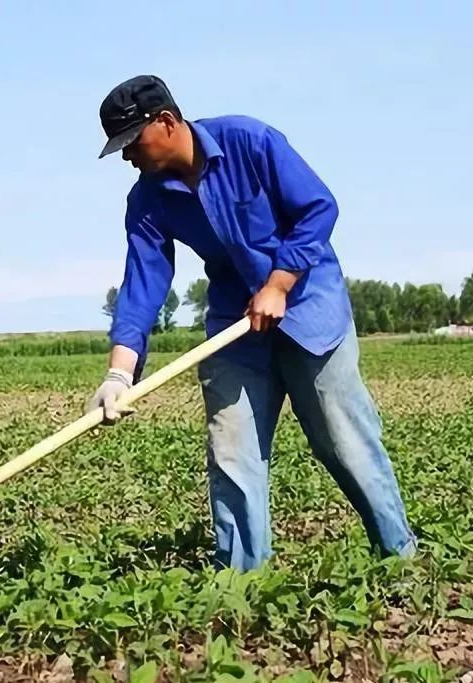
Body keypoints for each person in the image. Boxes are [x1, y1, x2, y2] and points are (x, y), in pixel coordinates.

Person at [84, 74, 416, 571]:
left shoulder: (250, 142)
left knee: (344, 441)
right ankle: (242, 582)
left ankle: (399, 558)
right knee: (232, 450)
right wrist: (118, 373)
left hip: (308, 311)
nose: (128, 157)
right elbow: (143, 282)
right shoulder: (148, 200)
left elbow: (318, 208)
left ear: (167, 122)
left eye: (132, 142)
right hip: (235, 328)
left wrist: (279, 284)